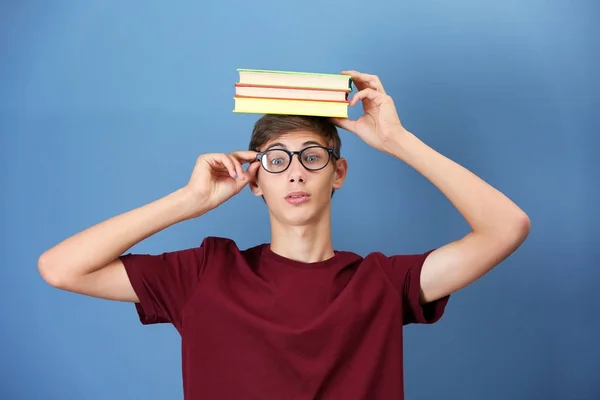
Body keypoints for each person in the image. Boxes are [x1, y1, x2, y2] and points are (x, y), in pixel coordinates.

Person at [38, 70, 530, 400]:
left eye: (311, 157)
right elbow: (60, 268)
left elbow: (507, 228)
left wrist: (397, 141)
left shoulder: (383, 281)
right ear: (254, 180)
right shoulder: (205, 272)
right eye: (277, 161)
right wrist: (187, 202)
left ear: (338, 173)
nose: (295, 174)